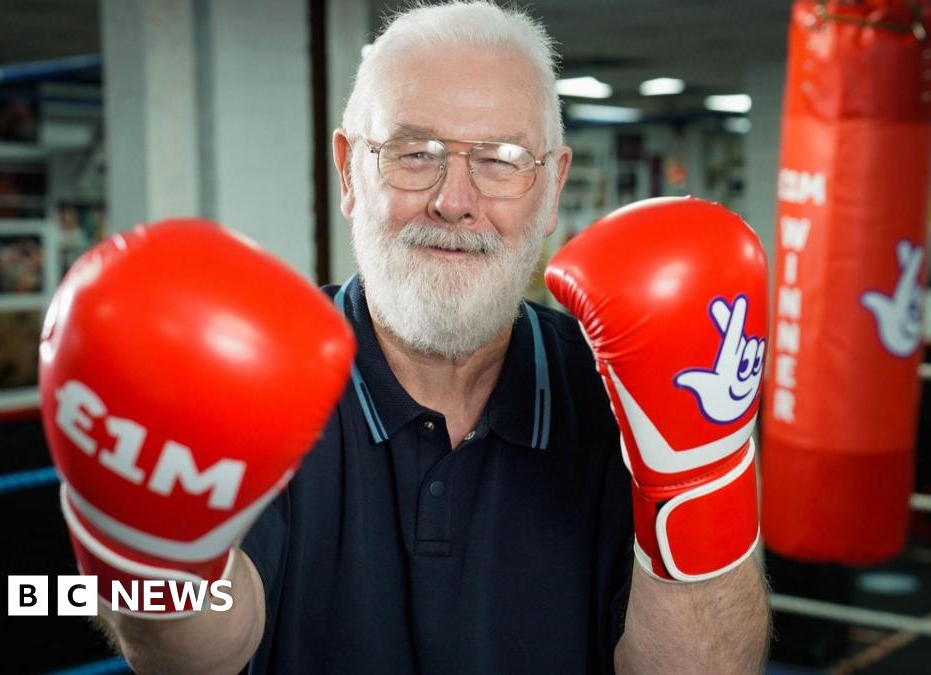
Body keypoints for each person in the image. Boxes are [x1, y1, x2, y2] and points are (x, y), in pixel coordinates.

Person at [79, 2, 769, 673]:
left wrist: (698, 482)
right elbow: (197, 658)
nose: (454, 199)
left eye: (500, 159)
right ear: (350, 171)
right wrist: (156, 550)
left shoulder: (622, 386)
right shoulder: (262, 378)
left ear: (552, 186)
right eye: (415, 153)